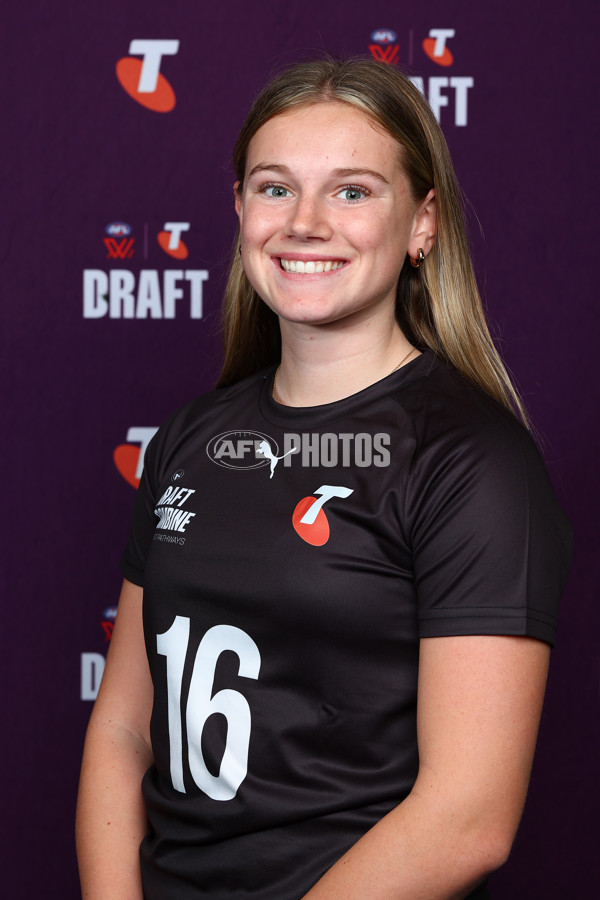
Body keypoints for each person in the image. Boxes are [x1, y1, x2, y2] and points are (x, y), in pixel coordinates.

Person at [76, 58, 571, 899]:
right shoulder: (191, 438)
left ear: (422, 223)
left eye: (351, 192)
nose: (305, 222)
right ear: (239, 210)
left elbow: (469, 818)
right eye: (276, 188)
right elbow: (126, 725)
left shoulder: (471, 462)